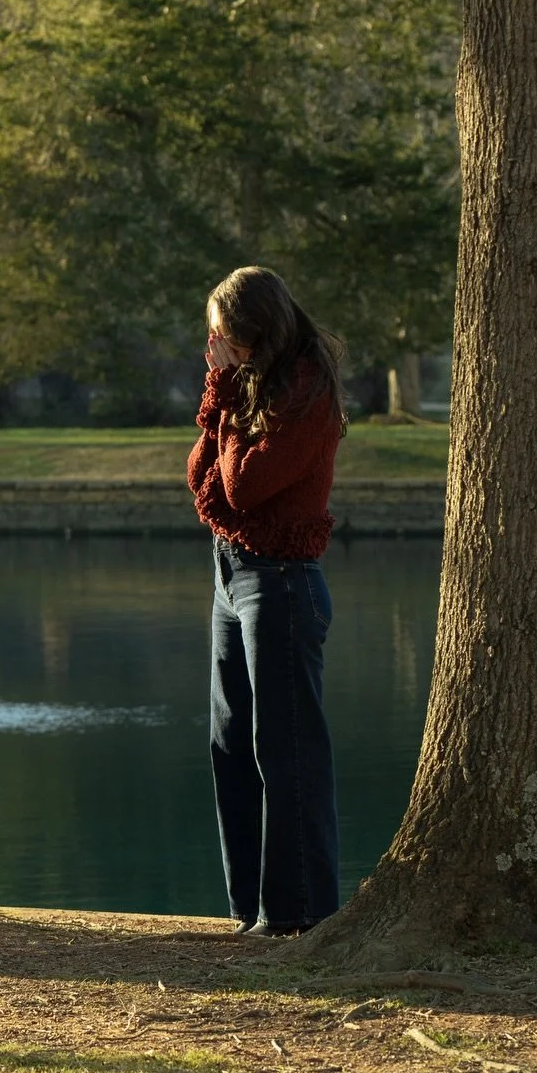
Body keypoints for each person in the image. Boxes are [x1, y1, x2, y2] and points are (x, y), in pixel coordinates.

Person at [187, 265, 346, 936]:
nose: (217, 354)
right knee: (231, 744)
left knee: (285, 749)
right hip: (232, 573)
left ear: (257, 333)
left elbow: (244, 487)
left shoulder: (306, 390)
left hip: (279, 579)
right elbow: (202, 478)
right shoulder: (255, 385)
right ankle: (249, 909)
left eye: (224, 342)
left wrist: (222, 397)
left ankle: (299, 914)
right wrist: (223, 398)